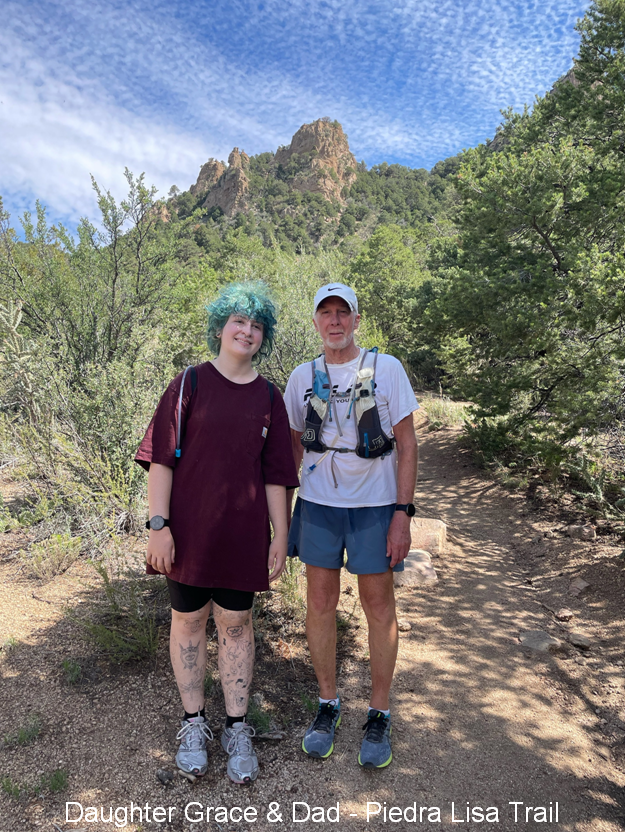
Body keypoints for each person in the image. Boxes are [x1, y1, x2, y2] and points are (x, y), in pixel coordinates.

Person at [135, 282, 298, 784]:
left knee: (235, 624)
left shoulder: (270, 396)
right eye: (239, 322)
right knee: (187, 623)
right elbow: (161, 459)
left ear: (262, 337)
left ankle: (237, 728)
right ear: (221, 326)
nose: (247, 331)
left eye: (257, 326)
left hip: (242, 534)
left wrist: (280, 536)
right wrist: (158, 527)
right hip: (185, 533)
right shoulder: (189, 383)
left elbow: (277, 476)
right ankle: (192, 725)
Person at [284, 282, 419, 769]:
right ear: (316, 321)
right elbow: (292, 446)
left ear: (357, 320)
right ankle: (327, 705)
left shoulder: (386, 369)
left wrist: (402, 515)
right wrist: (279, 515)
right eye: (327, 312)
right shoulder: (302, 377)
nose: (335, 320)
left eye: (344, 312)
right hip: (319, 502)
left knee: (378, 605)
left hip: (375, 504)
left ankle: (379, 712)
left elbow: (406, 444)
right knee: (319, 602)